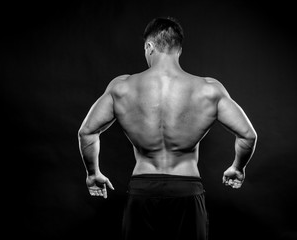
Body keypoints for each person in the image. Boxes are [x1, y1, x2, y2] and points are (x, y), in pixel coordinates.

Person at [78, 17, 257, 240]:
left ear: (149, 47)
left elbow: (87, 132)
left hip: (143, 191)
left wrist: (93, 173)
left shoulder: (121, 87)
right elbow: (248, 135)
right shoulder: (209, 90)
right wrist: (237, 168)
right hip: (187, 190)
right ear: (178, 50)